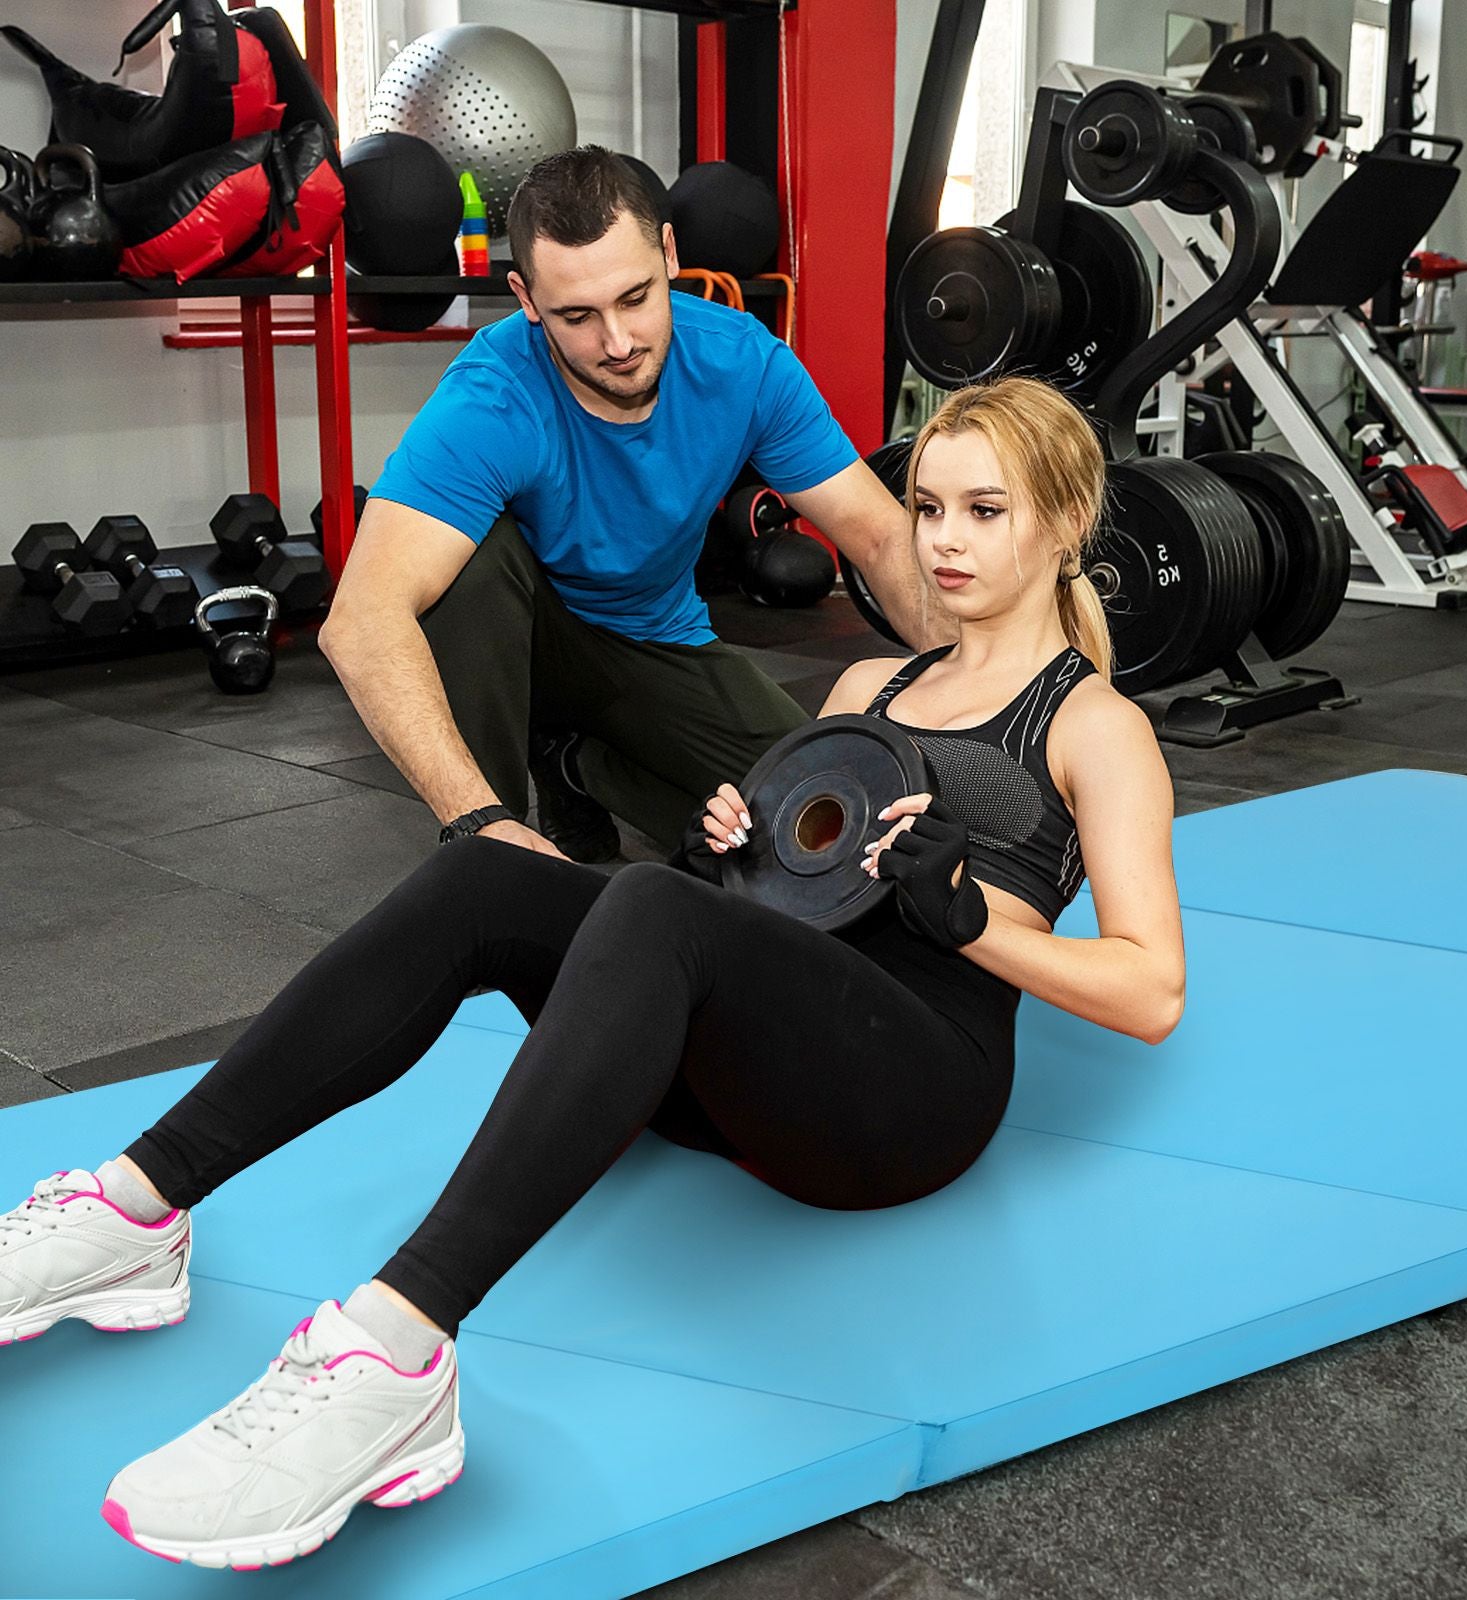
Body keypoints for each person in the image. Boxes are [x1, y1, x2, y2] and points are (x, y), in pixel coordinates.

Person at [0, 377, 1184, 1573]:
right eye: (928, 507)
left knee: (651, 906)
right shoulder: (864, 690)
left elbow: (1151, 992)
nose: (943, 539)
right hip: (764, 1076)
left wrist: (970, 917)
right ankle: (134, 1207)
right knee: (495, 875)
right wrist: (731, 848)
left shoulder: (1093, 727)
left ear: (1065, 523)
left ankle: (395, 1351)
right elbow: (770, 908)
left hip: (909, 1099)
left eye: (984, 510)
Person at [322, 144, 936, 866]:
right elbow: (360, 621)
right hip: (522, 642)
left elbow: (881, 538)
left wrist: (995, 705)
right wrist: (474, 816)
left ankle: (578, 765)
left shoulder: (744, 364)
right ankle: (494, 857)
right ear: (524, 299)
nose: (617, 343)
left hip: (654, 640)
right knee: (462, 564)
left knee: (808, 827)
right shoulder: (491, 397)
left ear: (669, 253)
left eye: (635, 298)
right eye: (576, 315)